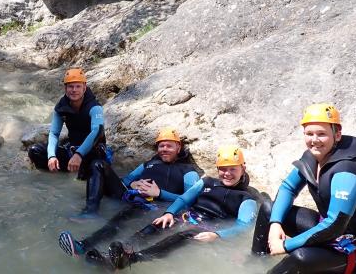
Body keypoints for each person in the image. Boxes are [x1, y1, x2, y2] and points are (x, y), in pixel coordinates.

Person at [251, 103, 356, 273]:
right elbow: (288, 188)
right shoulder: (312, 158)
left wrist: (285, 245)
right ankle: (254, 263)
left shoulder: (348, 170)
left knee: (300, 257)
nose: (314, 140)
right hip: (334, 232)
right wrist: (275, 224)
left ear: (337, 135)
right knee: (269, 208)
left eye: (322, 134)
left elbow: (334, 224)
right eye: (309, 133)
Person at [80, 145, 258, 269]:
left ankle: (132, 259)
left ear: (242, 168)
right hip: (186, 215)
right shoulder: (206, 182)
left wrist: (218, 234)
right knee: (157, 224)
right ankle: (113, 256)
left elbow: (244, 226)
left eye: (232, 169)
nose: (227, 174)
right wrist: (169, 213)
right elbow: (184, 199)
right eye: (223, 169)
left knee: (183, 236)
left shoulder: (246, 198)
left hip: (208, 226)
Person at [58, 127, 200, 258]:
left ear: (178, 147)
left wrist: (160, 193)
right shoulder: (149, 163)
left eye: (169, 146)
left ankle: (114, 258)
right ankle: (83, 243)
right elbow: (125, 180)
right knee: (98, 165)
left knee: (129, 229)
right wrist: (132, 183)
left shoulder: (187, 170)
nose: (164, 149)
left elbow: (191, 199)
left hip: (158, 206)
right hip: (135, 199)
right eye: (161, 146)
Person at [28, 68, 112, 215]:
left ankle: (91, 211)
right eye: (70, 86)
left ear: (84, 87)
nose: (74, 90)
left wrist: (79, 155)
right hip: (72, 151)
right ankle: (60, 173)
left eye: (78, 86)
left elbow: (96, 132)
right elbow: (54, 133)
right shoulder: (62, 106)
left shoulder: (95, 107)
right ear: (65, 88)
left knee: (95, 167)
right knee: (35, 151)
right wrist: (51, 156)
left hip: (93, 152)